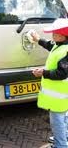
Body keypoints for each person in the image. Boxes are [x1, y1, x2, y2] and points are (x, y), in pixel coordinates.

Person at [31, 18, 68, 148]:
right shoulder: (61, 45)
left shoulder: (66, 51)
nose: (52, 35)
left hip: (59, 97)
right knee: (64, 119)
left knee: (57, 122)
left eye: (55, 33)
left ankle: (61, 144)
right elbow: (50, 45)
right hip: (62, 96)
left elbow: (62, 73)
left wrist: (43, 73)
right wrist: (38, 39)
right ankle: (63, 137)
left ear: (64, 35)